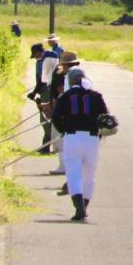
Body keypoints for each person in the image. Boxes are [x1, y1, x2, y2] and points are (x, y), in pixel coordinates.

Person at [50, 65, 111, 222]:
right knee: (89, 175)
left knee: (73, 174)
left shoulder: (66, 96)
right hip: (92, 139)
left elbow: (56, 118)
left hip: (72, 137)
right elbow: (106, 118)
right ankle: (84, 207)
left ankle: (79, 209)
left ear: (70, 81)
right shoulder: (96, 96)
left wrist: (64, 130)